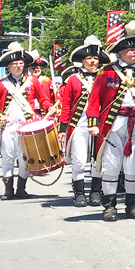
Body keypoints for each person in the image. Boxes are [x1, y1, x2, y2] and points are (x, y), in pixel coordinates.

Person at [86, 21, 135, 221]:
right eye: (130, 49)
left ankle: (132, 205)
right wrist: (93, 123)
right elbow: (95, 100)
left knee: (134, 167)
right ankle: (109, 206)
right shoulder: (107, 72)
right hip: (112, 126)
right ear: (121, 52)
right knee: (110, 166)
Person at [0, 42, 51, 200]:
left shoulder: (32, 81)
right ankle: (8, 190)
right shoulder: (1, 84)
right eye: (15, 64)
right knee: (7, 158)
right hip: (9, 127)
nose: (18, 66)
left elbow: (44, 99)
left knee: (25, 159)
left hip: (27, 127)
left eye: (21, 63)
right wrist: (0, 115)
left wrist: (49, 108)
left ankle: (21, 189)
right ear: (9, 65)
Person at [58, 36, 110, 207]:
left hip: (100, 125)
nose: (93, 62)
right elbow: (66, 105)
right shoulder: (73, 80)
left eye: (95, 58)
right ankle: (79, 194)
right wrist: (62, 128)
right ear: (83, 61)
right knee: (79, 159)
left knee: (97, 160)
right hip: (79, 124)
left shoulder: (105, 78)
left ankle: (95, 192)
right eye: (89, 58)